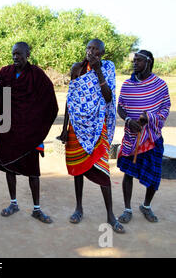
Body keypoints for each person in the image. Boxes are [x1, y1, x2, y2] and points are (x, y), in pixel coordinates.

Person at [58, 39, 124, 233]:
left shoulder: (108, 68)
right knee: (78, 168)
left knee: (103, 169)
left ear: (102, 53)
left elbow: (108, 97)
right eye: (89, 48)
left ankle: (110, 215)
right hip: (76, 127)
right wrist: (64, 128)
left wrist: (98, 71)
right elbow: (71, 99)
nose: (91, 51)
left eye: (96, 49)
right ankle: (78, 208)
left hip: (97, 127)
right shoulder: (77, 68)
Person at [0, 42, 58, 223]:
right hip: (8, 130)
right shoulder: (5, 72)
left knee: (33, 172)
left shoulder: (37, 75)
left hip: (30, 132)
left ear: (28, 54)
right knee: (8, 166)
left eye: (19, 54)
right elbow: (0, 98)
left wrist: (39, 127)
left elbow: (50, 103)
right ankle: (13, 203)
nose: (15, 57)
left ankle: (37, 208)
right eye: (13, 53)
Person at [116, 50, 171, 223]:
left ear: (149, 62)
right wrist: (129, 120)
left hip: (152, 138)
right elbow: (120, 107)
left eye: (138, 60)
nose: (135, 63)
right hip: (132, 137)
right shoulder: (127, 85)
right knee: (128, 173)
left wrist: (150, 118)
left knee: (154, 175)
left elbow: (165, 108)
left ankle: (146, 206)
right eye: (134, 60)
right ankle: (127, 209)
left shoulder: (160, 85)